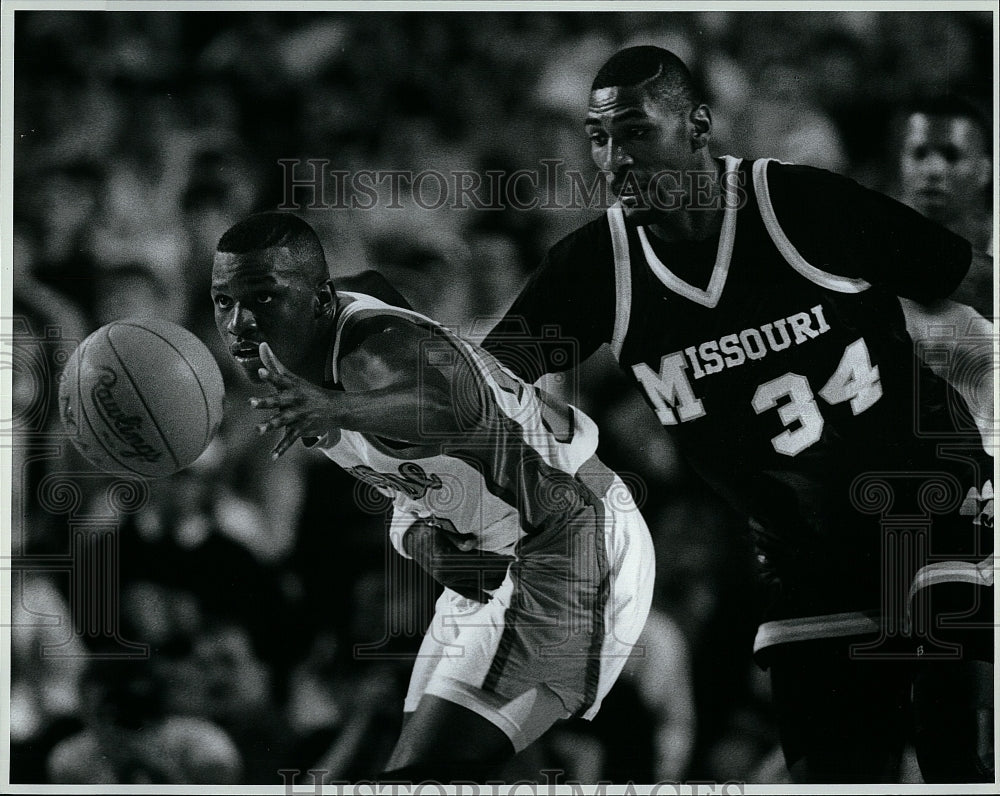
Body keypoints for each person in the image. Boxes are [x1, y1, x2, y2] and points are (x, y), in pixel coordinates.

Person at [481, 46, 994, 784]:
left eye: (634, 132)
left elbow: (972, 277)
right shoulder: (594, 268)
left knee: (961, 745)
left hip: (929, 503)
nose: (615, 157)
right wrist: (363, 384)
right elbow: (484, 385)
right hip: (800, 551)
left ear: (697, 126)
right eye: (599, 138)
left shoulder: (799, 205)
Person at [209, 211, 655, 783]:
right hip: (496, 558)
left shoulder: (371, 348)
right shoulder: (309, 354)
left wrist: (334, 408)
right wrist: (422, 543)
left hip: (571, 540)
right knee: (436, 771)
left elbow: (458, 407)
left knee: (421, 777)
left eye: (264, 299)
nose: (240, 323)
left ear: (320, 299)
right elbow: (418, 475)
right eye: (223, 302)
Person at [892, 95, 993, 316]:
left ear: (985, 170)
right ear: (901, 162)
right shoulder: (861, 249)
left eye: (951, 155)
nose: (933, 170)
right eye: (919, 153)